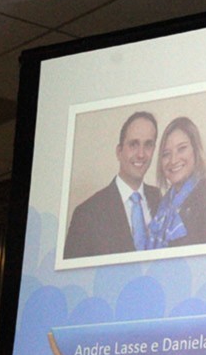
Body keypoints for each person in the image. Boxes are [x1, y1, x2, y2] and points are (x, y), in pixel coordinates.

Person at [64, 111, 161, 259]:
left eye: (148, 145)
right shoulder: (86, 214)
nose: (141, 154)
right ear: (119, 152)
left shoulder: (161, 200)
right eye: (133, 144)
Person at [147, 116, 206, 248]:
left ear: (196, 150)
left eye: (181, 149)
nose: (173, 160)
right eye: (166, 154)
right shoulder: (161, 208)